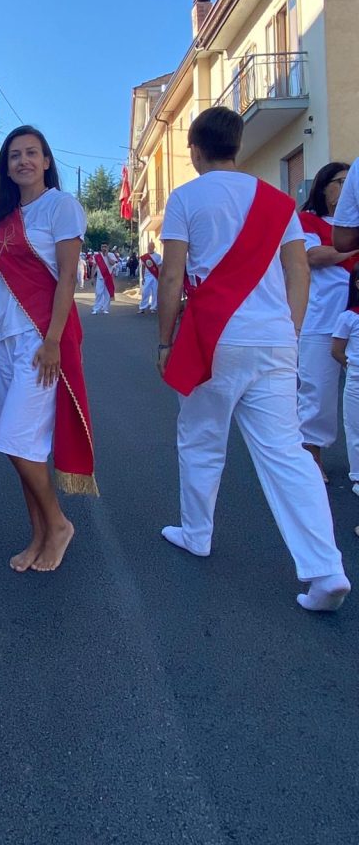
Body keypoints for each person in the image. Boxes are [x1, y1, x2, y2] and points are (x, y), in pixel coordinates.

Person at [157, 106, 349, 612]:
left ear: (194, 150)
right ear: (237, 147)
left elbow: (172, 278)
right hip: (275, 339)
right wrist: (292, 328)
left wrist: (163, 342)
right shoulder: (277, 201)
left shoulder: (185, 198)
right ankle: (325, 568)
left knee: (201, 439)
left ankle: (197, 532)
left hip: (213, 338)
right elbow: (299, 272)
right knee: (286, 454)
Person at [0, 125, 98, 573]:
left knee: (16, 439)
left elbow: (68, 278)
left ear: (47, 160)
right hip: (6, 339)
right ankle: (37, 534)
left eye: (32, 153)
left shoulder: (61, 206)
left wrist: (52, 340)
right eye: (14, 155)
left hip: (41, 338)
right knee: (24, 446)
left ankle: (57, 525)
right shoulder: (2, 218)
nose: (23, 161)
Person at [297, 163, 358, 481]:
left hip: (355, 320)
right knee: (317, 392)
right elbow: (312, 256)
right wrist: (350, 250)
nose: (347, 188)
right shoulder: (308, 220)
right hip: (321, 319)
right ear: (323, 188)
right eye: (340, 182)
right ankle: (312, 457)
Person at [331, 262, 359, 497]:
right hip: (356, 379)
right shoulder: (349, 317)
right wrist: (351, 367)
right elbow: (337, 350)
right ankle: (357, 476)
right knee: (355, 428)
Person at [91, 242, 117, 315]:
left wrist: (107, 256)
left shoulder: (111, 255)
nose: (104, 248)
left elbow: (112, 263)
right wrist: (92, 277)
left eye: (105, 247)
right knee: (98, 293)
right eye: (102, 247)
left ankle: (105, 308)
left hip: (108, 277)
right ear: (101, 248)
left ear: (108, 247)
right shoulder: (97, 256)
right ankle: (96, 308)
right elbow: (93, 267)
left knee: (107, 294)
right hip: (100, 277)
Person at [138, 240, 161, 314]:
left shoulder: (158, 256)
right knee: (145, 292)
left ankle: (153, 307)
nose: (150, 248)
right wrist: (143, 277)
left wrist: (160, 277)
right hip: (147, 277)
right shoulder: (145, 257)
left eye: (151, 246)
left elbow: (160, 267)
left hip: (155, 276)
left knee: (155, 292)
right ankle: (142, 308)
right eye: (148, 246)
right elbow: (143, 267)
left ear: (154, 247)